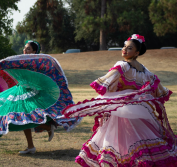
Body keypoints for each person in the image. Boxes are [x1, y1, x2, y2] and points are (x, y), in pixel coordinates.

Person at [62, 34, 177, 166]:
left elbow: (108, 81)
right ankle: (136, 159)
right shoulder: (144, 69)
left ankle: (125, 161)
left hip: (121, 106)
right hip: (138, 107)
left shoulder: (123, 65)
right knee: (140, 134)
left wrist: (105, 88)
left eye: (129, 48)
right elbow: (158, 88)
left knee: (117, 136)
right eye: (124, 46)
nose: (124, 50)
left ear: (137, 52)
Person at [0, 40, 82, 154]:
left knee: (26, 117)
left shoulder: (35, 63)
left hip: (32, 93)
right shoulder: (21, 61)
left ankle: (44, 132)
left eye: (28, 49)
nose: (25, 50)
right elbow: (12, 65)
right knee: (23, 118)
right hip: (20, 91)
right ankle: (33, 144)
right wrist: (0, 65)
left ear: (34, 51)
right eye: (24, 48)